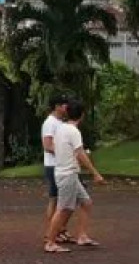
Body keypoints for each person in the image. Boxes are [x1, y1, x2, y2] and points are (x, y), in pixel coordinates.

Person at [43, 100, 105, 253]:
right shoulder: (73, 131)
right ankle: (50, 241)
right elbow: (80, 153)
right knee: (64, 208)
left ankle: (82, 236)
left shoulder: (61, 129)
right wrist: (95, 173)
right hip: (67, 174)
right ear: (82, 115)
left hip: (67, 172)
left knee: (86, 202)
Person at [39, 95, 73, 245]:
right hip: (53, 165)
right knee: (55, 199)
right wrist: (64, 151)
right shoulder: (50, 123)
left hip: (62, 165)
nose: (67, 108)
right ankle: (51, 232)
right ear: (57, 106)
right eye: (64, 105)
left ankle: (60, 229)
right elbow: (47, 145)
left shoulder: (60, 123)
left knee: (63, 200)